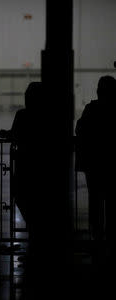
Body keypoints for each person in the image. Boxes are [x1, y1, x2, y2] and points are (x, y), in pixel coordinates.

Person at [76, 76, 116, 243]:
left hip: (93, 162)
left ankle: (97, 232)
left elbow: (80, 129)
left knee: (95, 199)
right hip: (111, 162)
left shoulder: (91, 109)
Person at [0, 82, 43, 226]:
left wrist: (7, 134)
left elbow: (15, 134)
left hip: (24, 162)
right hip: (33, 163)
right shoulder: (46, 117)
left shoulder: (22, 114)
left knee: (21, 196)